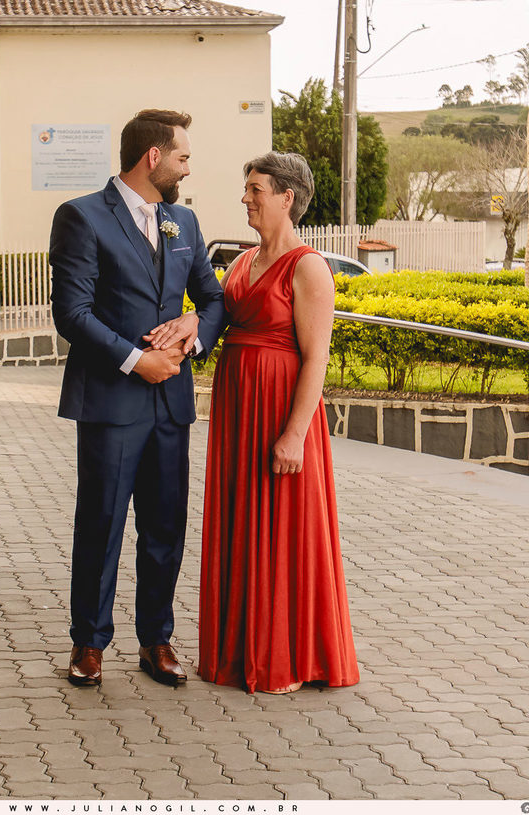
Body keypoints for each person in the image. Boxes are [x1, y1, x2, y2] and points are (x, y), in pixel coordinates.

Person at [50, 109, 226, 688]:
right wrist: (136, 359)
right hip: (111, 400)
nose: (186, 166)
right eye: (182, 156)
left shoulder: (185, 222)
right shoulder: (81, 217)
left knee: (165, 526)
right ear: (153, 157)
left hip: (171, 404)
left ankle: (156, 640)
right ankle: (89, 644)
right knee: (99, 524)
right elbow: (71, 314)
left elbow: (213, 297)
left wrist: (194, 330)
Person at [197, 152, 360, 694]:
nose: (246, 197)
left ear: (286, 197)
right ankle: (241, 650)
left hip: (278, 414)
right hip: (238, 412)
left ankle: (285, 655)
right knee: (244, 523)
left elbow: (317, 357)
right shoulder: (243, 263)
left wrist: (294, 433)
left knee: (283, 528)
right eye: (247, 188)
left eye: (256, 188)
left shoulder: (309, 267)